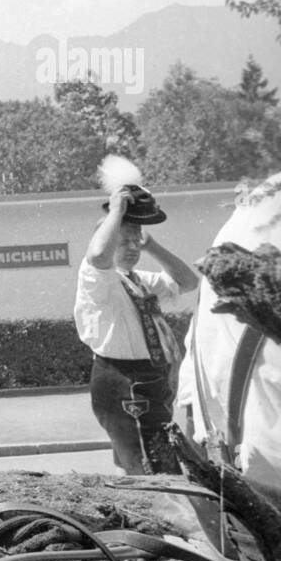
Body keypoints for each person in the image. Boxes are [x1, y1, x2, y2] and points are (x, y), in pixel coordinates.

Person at [74, 183, 199, 474]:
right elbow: (97, 257)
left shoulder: (137, 279)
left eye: (135, 241)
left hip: (152, 379)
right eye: (123, 241)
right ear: (106, 239)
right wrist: (116, 212)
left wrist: (151, 245)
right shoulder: (97, 279)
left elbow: (188, 283)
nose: (131, 248)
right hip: (123, 379)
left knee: (152, 467)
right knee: (156, 470)